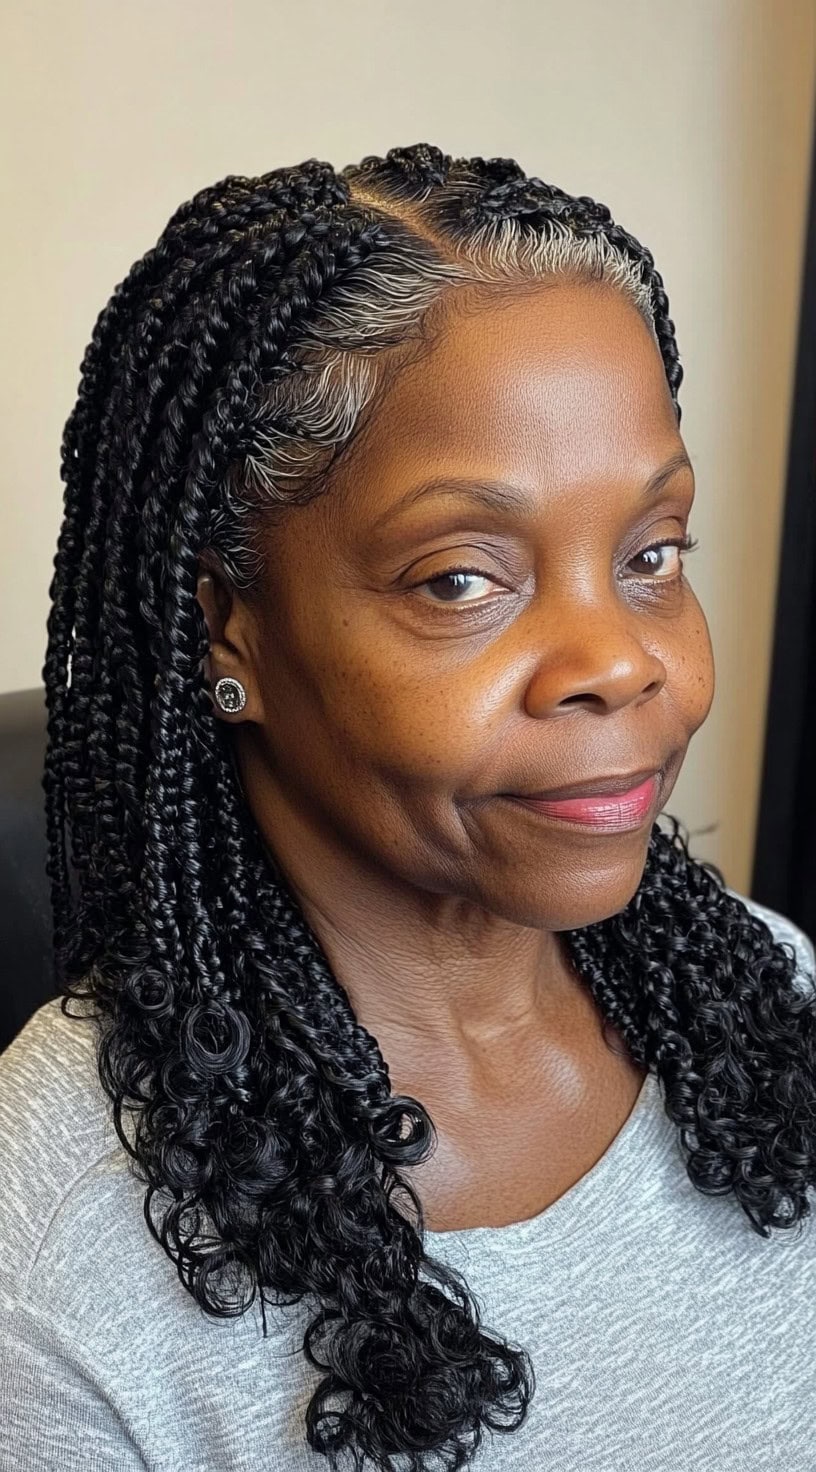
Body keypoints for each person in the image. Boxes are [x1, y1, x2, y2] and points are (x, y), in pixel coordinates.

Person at [0, 143, 815, 1472]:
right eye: (460, 578)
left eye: (652, 553)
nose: (621, 660)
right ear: (231, 630)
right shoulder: (53, 1261)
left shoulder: (769, 995)